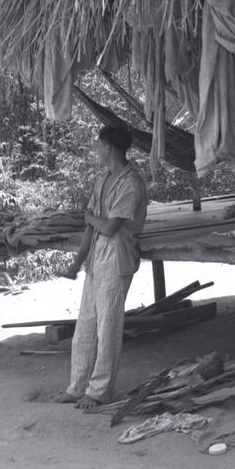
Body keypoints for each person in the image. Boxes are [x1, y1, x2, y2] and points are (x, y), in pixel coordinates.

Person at [54, 124, 148, 410]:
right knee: (86, 325)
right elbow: (93, 227)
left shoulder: (131, 184)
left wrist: (90, 218)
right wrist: (76, 263)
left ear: (109, 147)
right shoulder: (103, 179)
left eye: (98, 145)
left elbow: (107, 227)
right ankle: (77, 386)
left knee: (107, 327)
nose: (96, 150)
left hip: (116, 258)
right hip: (97, 258)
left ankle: (99, 391)